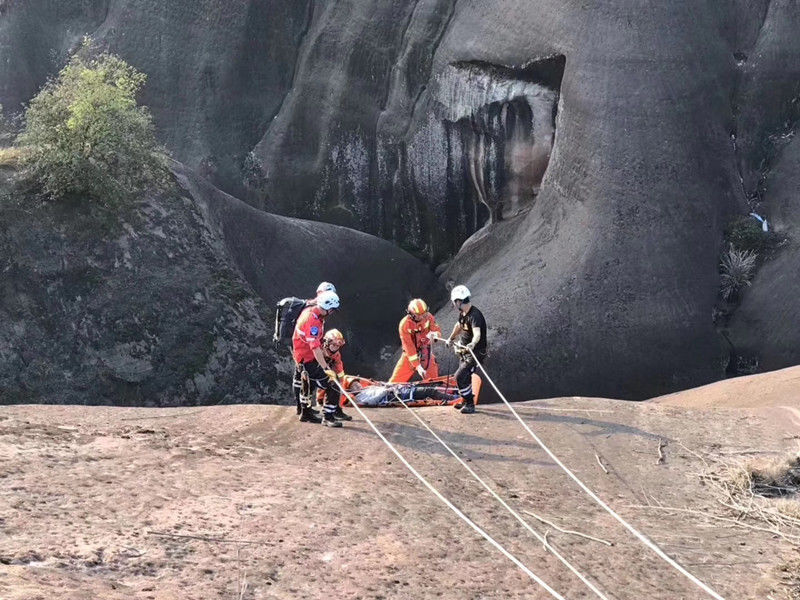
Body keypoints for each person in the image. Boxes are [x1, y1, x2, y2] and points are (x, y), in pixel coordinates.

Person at [291, 290, 344, 427]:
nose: (332, 313)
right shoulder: (313, 321)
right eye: (332, 310)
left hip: (300, 357)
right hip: (307, 358)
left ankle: (305, 412)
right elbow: (314, 347)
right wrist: (326, 368)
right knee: (333, 383)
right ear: (328, 308)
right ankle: (328, 416)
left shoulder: (309, 311)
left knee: (307, 383)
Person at [443, 285, 487, 414]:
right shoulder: (463, 314)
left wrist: (473, 344)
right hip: (464, 351)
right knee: (465, 377)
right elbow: (459, 326)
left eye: (454, 302)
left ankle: (469, 404)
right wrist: (451, 338)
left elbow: (477, 333)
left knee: (460, 376)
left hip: (475, 353)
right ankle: (465, 400)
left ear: (459, 301)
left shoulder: (475, 315)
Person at [389, 298, 442, 383]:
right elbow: (409, 348)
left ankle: (436, 394)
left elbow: (436, 329)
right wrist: (418, 366)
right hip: (409, 356)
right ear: (411, 314)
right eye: (419, 315)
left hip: (426, 352)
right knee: (394, 382)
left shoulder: (428, 317)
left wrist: (435, 335)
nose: (423, 317)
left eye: (424, 314)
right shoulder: (404, 325)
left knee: (433, 381)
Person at [315, 328, 352, 421]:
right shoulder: (318, 351)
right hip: (316, 371)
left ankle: (337, 410)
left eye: (338, 345)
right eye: (334, 345)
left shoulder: (336, 355)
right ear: (327, 343)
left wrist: (340, 378)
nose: (336, 348)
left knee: (337, 385)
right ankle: (317, 403)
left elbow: (340, 372)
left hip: (328, 371)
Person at [346, 379, 457, 407]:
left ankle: (453, 395)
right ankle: (454, 398)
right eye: (355, 386)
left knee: (428, 388)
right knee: (429, 391)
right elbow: (372, 401)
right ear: (352, 391)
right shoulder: (361, 397)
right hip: (396, 395)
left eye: (358, 383)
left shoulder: (367, 388)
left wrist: (384, 385)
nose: (358, 386)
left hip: (398, 390)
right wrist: (386, 390)